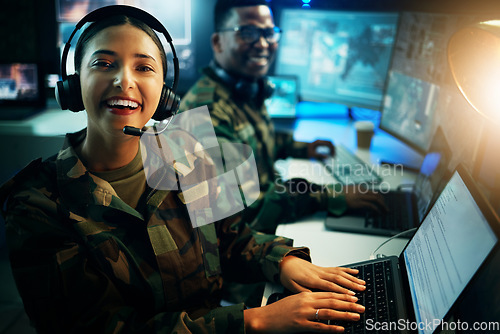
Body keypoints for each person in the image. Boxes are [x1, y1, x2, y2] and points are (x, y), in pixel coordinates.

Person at [0, 5, 367, 333]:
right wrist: (251, 321)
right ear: (73, 83)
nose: (124, 80)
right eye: (104, 63)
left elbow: (231, 236)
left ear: (164, 92)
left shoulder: (184, 149)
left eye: (143, 67)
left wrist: (282, 262)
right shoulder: (36, 204)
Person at [180, 0, 386, 308]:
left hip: (269, 240)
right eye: (247, 32)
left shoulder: (244, 88)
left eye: (269, 32)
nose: (262, 43)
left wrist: (300, 147)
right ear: (217, 41)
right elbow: (253, 210)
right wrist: (330, 196)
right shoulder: (206, 117)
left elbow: (254, 139)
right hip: (246, 269)